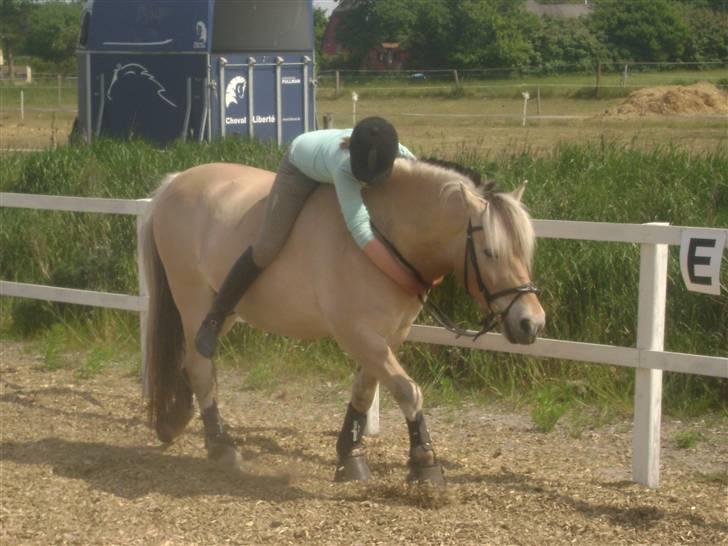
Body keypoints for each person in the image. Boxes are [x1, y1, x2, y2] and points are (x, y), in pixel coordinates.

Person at [194, 116, 427, 358]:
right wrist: (404, 278)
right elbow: (359, 229)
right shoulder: (344, 166)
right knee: (267, 246)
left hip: (327, 158)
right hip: (299, 168)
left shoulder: (405, 158)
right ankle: (215, 318)